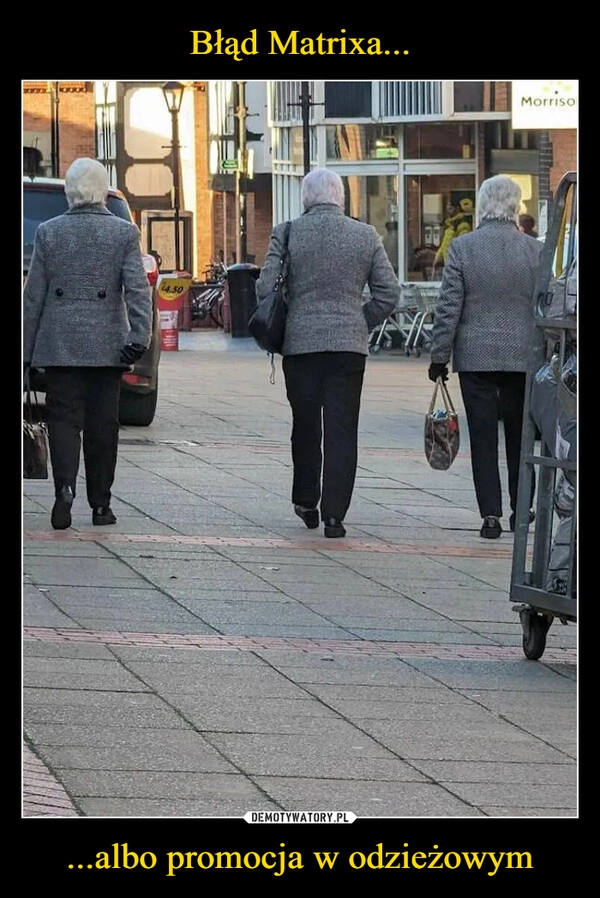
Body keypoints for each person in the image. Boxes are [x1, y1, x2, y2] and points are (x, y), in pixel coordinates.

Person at [255, 168, 399, 538]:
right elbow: (388, 292)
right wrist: (359, 319)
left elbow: (265, 287)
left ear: (306, 199)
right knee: (342, 429)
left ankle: (306, 500)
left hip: (301, 346)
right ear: (341, 198)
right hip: (348, 348)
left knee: (305, 424)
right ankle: (335, 515)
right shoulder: (365, 235)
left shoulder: (287, 232)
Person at [23, 157, 152, 530]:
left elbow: (34, 298)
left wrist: (26, 352)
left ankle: (64, 489)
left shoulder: (49, 232)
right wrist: (138, 336)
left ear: (70, 191)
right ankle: (101, 504)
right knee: (102, 426)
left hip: (60, 344)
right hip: (108, 346)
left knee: (63, 420)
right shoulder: (123, 234)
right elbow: (137, 291)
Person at [428, 175, 543, 539]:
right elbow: (545, 307)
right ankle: (520, 509)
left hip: (475, 358)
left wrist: (438, 355)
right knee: (520, 437)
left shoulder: (463, 248)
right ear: (515, 206)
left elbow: (449, 307)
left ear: (482, 204)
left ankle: (490, 514)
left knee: (482, 437)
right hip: (522, 358)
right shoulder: (536, 252)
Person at [433, 198, 473, 271]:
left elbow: (463, 247)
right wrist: (437, 257)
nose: (448, 211)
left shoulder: (462, 225)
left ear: (457, 209)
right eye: (447, 208)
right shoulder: (451, 225)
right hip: (449, 264)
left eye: (450, 208)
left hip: (456, 266)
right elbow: (444, 244)